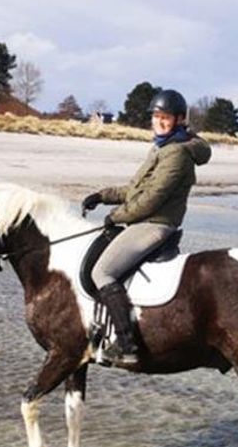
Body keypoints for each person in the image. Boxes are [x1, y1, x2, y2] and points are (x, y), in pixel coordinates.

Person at [81, 89, 212, 364]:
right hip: (145, 219)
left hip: (156, 224)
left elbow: (152, 199)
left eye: (165, 118)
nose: (160, 122)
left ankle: (128, 345)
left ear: (178, 119)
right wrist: (102, 196)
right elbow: (136, 188)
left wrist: (116, 216)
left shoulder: (176, 153)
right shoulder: (161, 148)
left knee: (102, 272)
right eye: (156, 117)